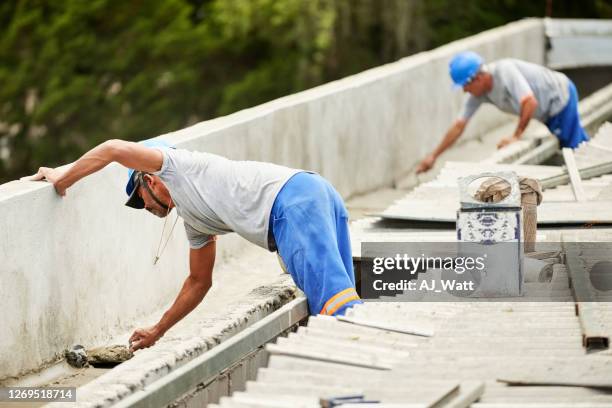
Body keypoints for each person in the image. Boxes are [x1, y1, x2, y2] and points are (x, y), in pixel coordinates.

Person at [28, 139, 362, 351]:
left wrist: (63, 176)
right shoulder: (195, 221)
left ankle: (371, 380)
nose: (143, 207)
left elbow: (113, 149)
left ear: (150, 178)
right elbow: (199, 282)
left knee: (334, 310)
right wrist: (158, 330)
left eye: (138, 198)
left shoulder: (176, 166)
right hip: (313, 192)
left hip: (292, 205)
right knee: (341, 299)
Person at [416, 51, 589, 174]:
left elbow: (529, 102)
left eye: (465, 86)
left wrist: (516, 136)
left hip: (560, 97)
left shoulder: (504, 71)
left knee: (574, 148)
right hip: (548, 112)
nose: (464, 91)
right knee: (576, 142)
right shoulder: (479, 94)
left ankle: (593, 175)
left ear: (477, 77)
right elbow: (459, 126)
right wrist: (433, 156)